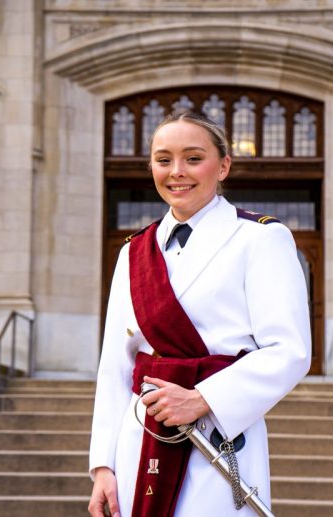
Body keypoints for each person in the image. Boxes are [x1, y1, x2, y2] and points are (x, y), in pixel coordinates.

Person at [88, 109, 311, 517]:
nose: (177, 172)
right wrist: (103, 464)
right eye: (163, 159)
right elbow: (115, 367)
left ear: (224, 165)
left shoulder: (261, 239)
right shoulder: (133, 252)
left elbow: (289, 349)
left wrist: (202, 398)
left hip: (215, 433)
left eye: (193, 158)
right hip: (141, 435)